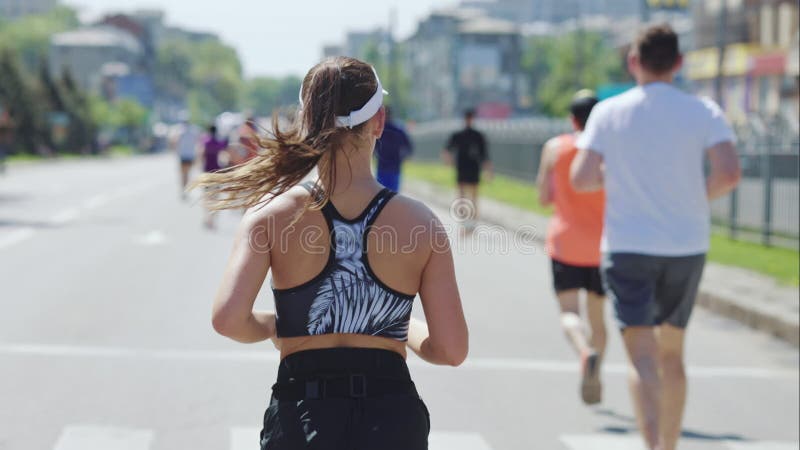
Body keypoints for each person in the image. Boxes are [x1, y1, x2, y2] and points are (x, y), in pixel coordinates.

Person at [193, 56, 468, 450]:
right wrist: (394, 324)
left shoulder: (268, 217)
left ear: (306, 125)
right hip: (391, 419)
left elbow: (228, 319)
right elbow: (451, 349)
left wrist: (274, 326)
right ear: (379, 122)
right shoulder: (422, 224)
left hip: (303, 413)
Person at [571, 24, 741, 450]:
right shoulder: (704, 112)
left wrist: (620, 175)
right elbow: (729, 172)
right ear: (679, 63)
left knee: (642, 356)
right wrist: (695, 199)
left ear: (634, 61)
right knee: (673, 355)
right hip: (686, 245)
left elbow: (582, 177)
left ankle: (652, 447)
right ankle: (670, 445)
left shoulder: (609, 113)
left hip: (628, 246)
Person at [536, 90, 606, 405]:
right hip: (603, 246)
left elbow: (543, 197)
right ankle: (596, 368)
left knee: (569, 313)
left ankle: (583, 351)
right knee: (599, 319)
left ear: (571, 119)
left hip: (566, 243)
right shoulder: (607, 151)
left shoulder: (555, 148)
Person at [442, 109, 492, 228]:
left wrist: (487, 170)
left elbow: (484, 155)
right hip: (462, 167)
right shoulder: (459, 135)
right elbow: (447, 150)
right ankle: (464, 218)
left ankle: (473, 219)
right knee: (462, 194)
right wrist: (449, 161)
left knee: (473, 194)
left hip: (473, 167)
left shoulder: (477, 135)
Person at [374, 107, 413, 191]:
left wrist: (376, 156)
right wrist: (402, 158)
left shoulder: (378, 130)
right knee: (393, 196)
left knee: (380, 195)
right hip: (395, 167)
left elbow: (374, 149)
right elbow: (409, 147)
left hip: (382, 167)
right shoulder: (398, 130)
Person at [201, 124, 228, 229]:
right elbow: (225, 147)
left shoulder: (206, 142)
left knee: (207, 196)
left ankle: (208, 218)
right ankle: (213, 218)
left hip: (207, 172)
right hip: (217, 172)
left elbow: (202, 154)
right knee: (216, 197)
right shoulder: (218, 142)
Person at [173, 113, 202, 200]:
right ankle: (185, 189)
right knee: (188, 173)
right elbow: (198, 141)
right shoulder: (194, 130)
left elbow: (174, 141)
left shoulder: (179, 130)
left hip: (183, 155)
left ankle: (183, 189)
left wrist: (176, 150)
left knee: (183, 174)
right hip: (190, 155)